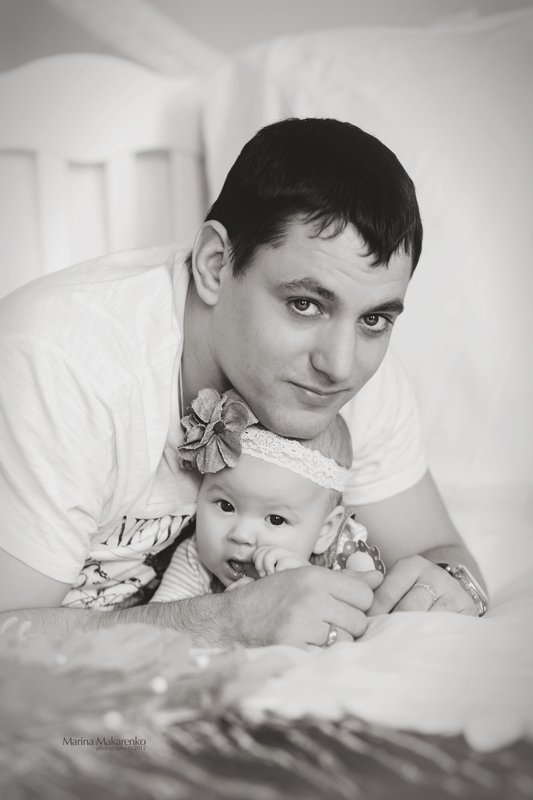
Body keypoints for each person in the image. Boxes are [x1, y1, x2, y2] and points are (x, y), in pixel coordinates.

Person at [0, 118, 487, 648]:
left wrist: (445, 589)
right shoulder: (62, 366)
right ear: (215, 265)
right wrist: (229, 621)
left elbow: (438, 552)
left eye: (375, 318)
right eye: (305, 304)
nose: (341, 365)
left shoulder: (346, 368)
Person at [151, 390, 383, 605]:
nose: (241, 535)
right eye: (226, 506)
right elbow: (157, 626)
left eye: (276, 519)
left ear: (325, 530)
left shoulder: (345, 553)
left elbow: (369, 610)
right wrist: (222, 612)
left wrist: (307, 583)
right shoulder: (196, 561)